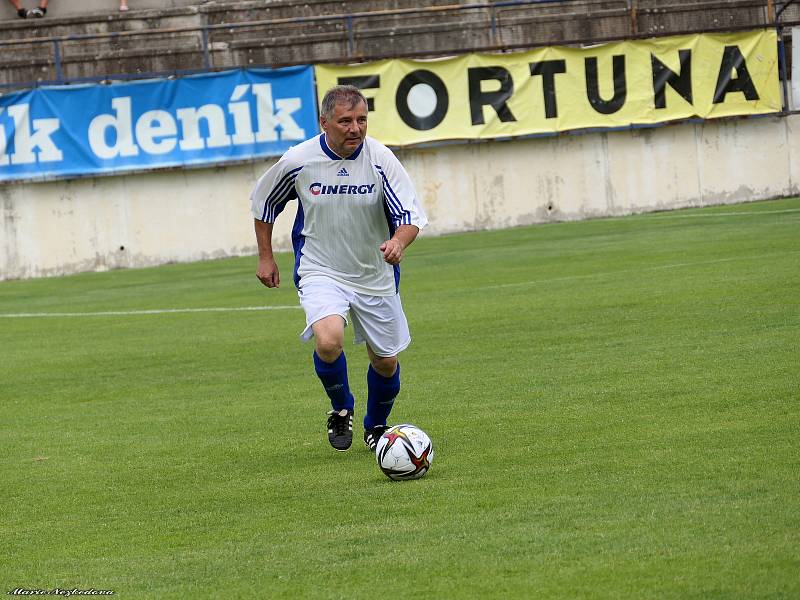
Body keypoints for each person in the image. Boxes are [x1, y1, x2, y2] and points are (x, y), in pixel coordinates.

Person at [251, 85, 427, 452]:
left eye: (361, 120)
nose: (355, 128)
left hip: (373, 274)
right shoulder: (299, 160)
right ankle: (341, 408)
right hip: (321, 268)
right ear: (324, 123)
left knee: (386, 361)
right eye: (345, 121)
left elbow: (409, 215)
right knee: (329, 340)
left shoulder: (380, 160)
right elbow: (264, 203)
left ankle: (376, 426)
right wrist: (265, 255)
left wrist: (398, 242)